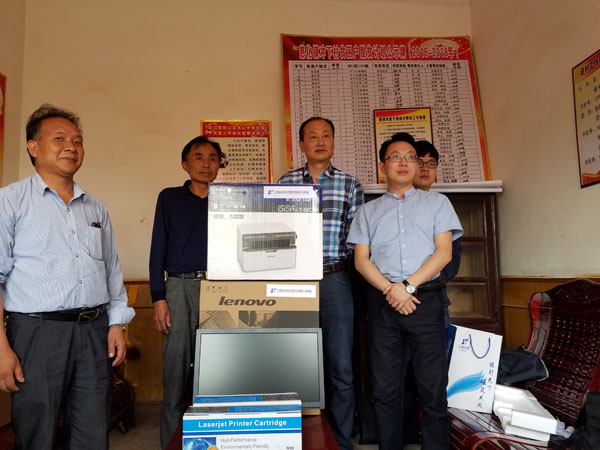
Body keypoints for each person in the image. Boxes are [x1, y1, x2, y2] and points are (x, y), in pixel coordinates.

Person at [0, 103, 134, 450]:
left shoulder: (95, 207)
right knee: (37, 432)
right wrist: (1, 348)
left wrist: (116, 325)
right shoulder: (10, 201)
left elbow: (111, 271)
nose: (71, 147)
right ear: (33, 147)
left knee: (92, 430)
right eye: (59, 138)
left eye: (77, 141)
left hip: (94, 330)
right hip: (36, 333)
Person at [347, 132, 462, 450]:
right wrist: (391, 290)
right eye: (395, 156)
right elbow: (361, 260)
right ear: (382, 166)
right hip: (383, 304)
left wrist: (408, 287)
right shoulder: (367, 212)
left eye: (410, 156)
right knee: (385, 388)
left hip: (426, 300)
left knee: (433, 388)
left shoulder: (438, 203)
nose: (404, 162)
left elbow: (444, 253)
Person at [278, 117, 364, 450]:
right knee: (294, 361)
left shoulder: (349, 184)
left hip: (335, 279)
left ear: (333, 142)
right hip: (293, 282)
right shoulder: (285, 182)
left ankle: (340, 441)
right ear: (301, 144)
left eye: (326, 135)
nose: (320, 141)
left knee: (340, 364)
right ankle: (294, 438)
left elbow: (359, 238)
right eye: (312, 136)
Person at [149, 135, 222, 448]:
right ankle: (171, 443)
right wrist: (158, 297)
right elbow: (157, 249)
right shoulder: (169, 198)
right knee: (176, 369)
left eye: (212, 158)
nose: (206, 164)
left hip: (220, 289)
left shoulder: (228, 200)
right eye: (198, 157)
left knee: (217, 369)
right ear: (185, 164)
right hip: (178, 287)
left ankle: (212, 442)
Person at [413, 139, 461, 329]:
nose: (425, 168)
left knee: (437, 346)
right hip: (397, 295)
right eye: (420, 162)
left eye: (431, 163)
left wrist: (426, 283)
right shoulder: (392, 206)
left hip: (434, 294)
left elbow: (453, 257)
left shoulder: (442, 204)